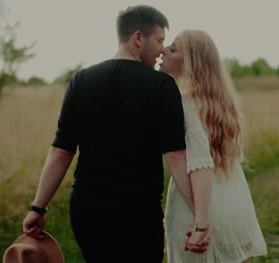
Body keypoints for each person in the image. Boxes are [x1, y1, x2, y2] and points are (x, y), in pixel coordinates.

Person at [22, 6, 209, 262]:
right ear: (139, 38)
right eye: (160, 40)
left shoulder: (80, 80)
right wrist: (200, 219)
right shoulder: (161, 85)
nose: (162, 50)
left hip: (88, 210)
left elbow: (61, 151)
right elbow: (175, 156)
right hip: (138, 212)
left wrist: (38, 208)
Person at [160, 30, 268, 263]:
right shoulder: (217, 103)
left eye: (173, 48)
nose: (163, 50)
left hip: (200, 205)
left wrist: (201, 223)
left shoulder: (186, 102)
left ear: (191, 63)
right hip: (232, 200)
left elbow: (199, 162)